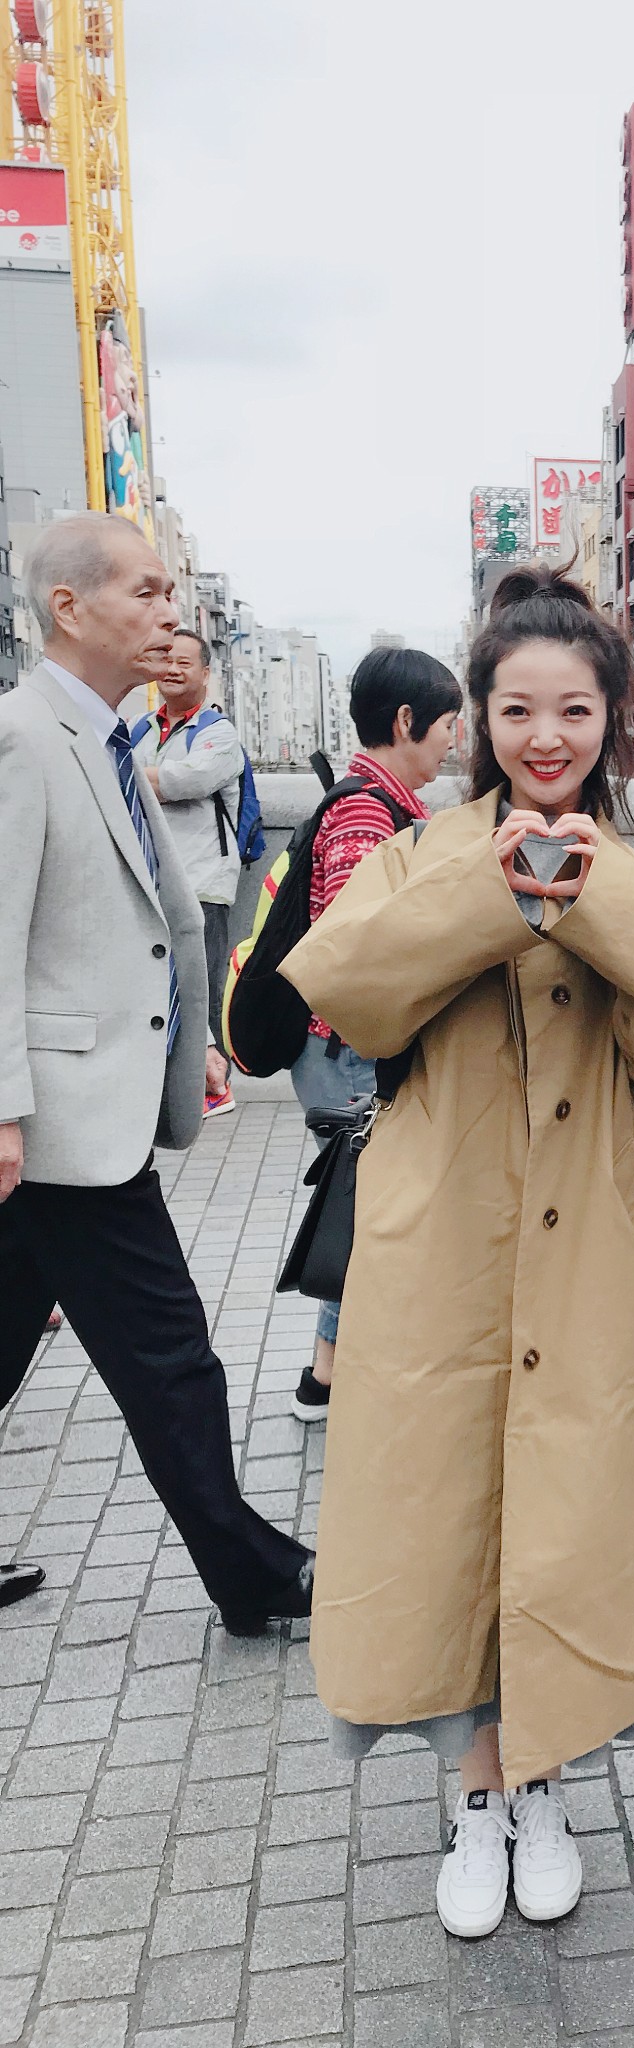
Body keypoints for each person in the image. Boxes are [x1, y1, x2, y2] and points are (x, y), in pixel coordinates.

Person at [280, 567, 634, 1939]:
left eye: (576, 709)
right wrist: (493, 893)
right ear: (478, 716)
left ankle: (543, 1783)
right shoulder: (417, 853)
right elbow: (348, 1000)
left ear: (612, 719)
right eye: (517, 707)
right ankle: (472, 1797)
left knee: (563, 1520)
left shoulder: (631, 867)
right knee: (445, 1518)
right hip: (441, 1249)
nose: (547, 735)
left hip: (588, 1247)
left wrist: (590, 900)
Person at [0, 513, 312, 1635]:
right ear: (69, 608)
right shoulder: (22, 737)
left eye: (172, 589)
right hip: (60, 1122)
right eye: (144, 589)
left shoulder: (107, 736)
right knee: (173, 1359)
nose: (169, 610)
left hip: (83, 1109)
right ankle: (252, 1574)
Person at [287, 646, 462, 1424]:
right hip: (351, 1049)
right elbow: (363, 944)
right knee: (373, 1211)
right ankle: (334, 1378)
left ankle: (327, 1373)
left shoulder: (384, 801)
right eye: (448, 726)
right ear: (405, 722)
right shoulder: (366, 810)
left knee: (365, 1205)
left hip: (350, 1046)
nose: (453, 741)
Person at [133, 626, 247, 1120]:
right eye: (166, 659)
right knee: (159, 983)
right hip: (147, 880)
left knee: (202, 982)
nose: (174, 668)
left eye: (186, 662)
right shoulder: (139, 727)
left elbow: (188, 780)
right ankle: (180, 1086)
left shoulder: (219, 733)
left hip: (201, 878)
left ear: (205, 672)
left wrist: (131, 775)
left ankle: (217, 1084)